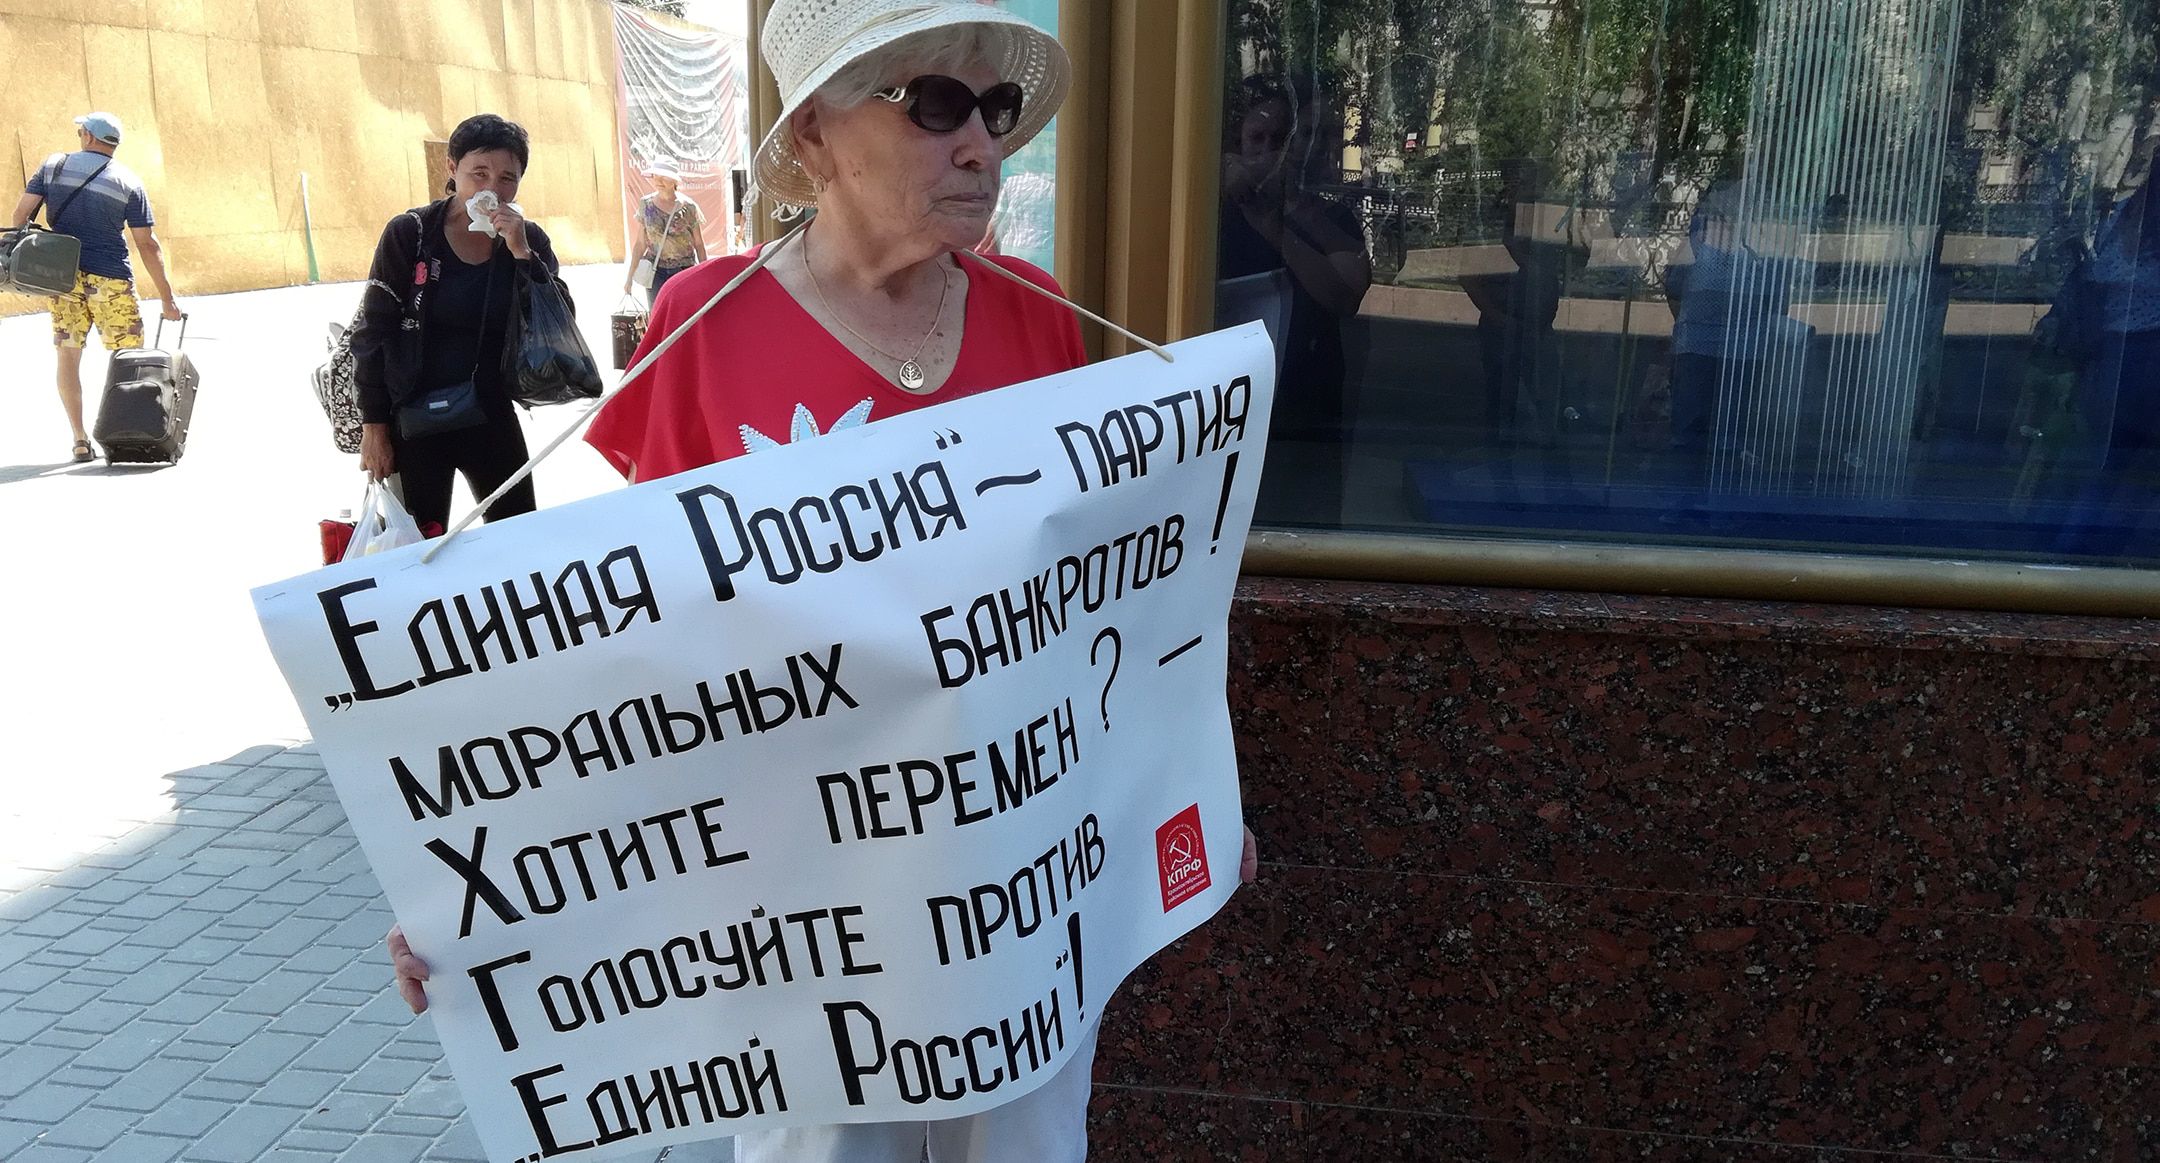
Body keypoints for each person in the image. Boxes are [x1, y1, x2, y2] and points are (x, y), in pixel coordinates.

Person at [388, 3, 1259, 1160]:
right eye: (935, 105)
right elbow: (632, 646)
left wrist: (1191, 779)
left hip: (1015, 903)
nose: (981, 146)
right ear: (813, 132)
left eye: (994, 110)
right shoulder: (705, 322)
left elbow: (1104, 607)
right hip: (803, 916)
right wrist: (483, 893)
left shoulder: (1038, 316)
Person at [351, 113, 569, 531]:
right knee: (420, 543)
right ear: (452, 168)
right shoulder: (411, 234)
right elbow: (372, 332)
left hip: (490, 412)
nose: (492, 189)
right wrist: (373, 428)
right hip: (413, 417)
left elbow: (558, 323)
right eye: (479, 173)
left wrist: (522, 255)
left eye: (507, 178)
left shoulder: (528, 240)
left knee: (518, 533)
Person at [1217, 75, 1370, 524]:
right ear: (1236, 145)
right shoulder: (1211, 215)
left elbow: (1345, 296)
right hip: (1230, 404)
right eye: (1256, 138)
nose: (1268, 152)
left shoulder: (1330, 216)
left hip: (1307, 406)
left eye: (1281, 139)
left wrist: (1276, 218)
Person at [7, 112, 182, 463]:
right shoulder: (129, 181)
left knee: (68, 355)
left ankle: (79, 438)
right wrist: (167, 299)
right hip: (111, 279)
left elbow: (19, 217)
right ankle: (126, 432)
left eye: (80, 131)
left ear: (87, 136)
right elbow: (147, 244)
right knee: (129, 359)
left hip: (62, 277)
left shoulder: (53, 166)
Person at [624, 162, 709, 306]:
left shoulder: (689, 207)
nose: (658, 181)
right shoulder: (646, 205)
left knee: (682, 313)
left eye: (664, 177)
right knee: (657, 313)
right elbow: (640, 243)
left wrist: (704, 273)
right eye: (656, 176)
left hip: (683, 271)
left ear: (675, 181)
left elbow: (699, 244)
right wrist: (629, 277)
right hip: (655, 271)